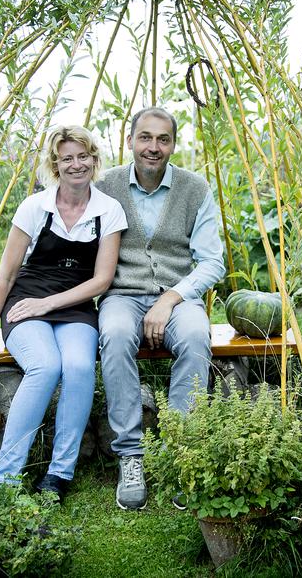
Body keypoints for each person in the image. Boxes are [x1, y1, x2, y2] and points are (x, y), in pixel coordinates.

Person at [0, 125, 127, 502]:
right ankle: (6, 476)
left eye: (83, 156)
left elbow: (101, 281)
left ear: (94, 160)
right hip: (24, 305)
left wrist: (50, 303)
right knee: (46, 366)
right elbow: (4, 276)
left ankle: (58, 473)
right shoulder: (35, 207)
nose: (76, 164)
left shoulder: (108, 211)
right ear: (55, 164)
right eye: (67, 157)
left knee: (80, 367)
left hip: (76, 309)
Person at [95, 106, 226, 510]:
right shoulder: (105, 185)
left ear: (173, 144)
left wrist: (170, 298)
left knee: (193, 335)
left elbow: (212, 261)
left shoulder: (194, 189)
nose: (154, 147)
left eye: (163, 139)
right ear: (130, 140)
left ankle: (180, 453)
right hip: (122, 294)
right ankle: (130, 453)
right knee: (115, 335)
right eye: (145, 138)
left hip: (179, 294)